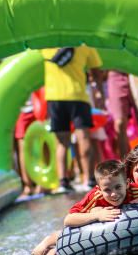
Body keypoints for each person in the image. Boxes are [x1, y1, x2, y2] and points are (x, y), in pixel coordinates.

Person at [32, 159, 138, 255]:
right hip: (85, 226)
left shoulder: (135, 190)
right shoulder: (95, 196)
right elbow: (68, 220)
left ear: (127, 184)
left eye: (118, 187)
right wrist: (96, 215)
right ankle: (46, 242)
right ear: (99, 189)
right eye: (107, 190)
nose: (114, 194)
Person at [42, 45, 104, 193]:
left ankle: (63, 182)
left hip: (55, 97)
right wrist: (99, 92)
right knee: (84, 138)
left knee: (62, 142)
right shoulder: (83, 43)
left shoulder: (46, 43)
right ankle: (88, 179)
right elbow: (96, 69)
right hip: (78, 96)